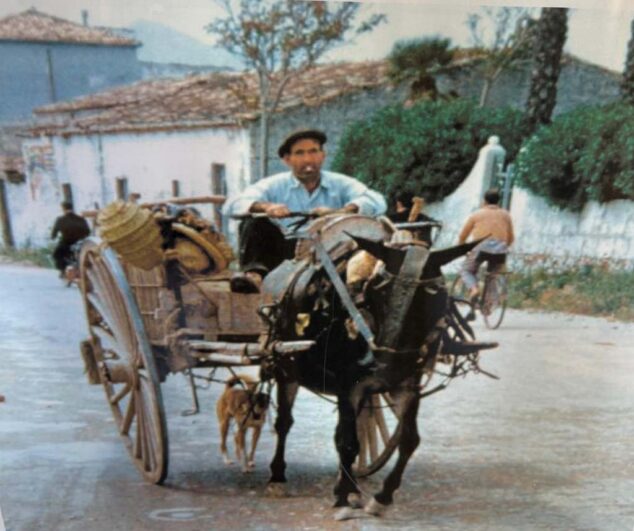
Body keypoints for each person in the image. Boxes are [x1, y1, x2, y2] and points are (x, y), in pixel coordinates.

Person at [224, 128, 387, 292]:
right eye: (300, 153)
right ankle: (255, 275)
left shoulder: (340, 183)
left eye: (313, 151)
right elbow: (232, 205)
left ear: (323, 155)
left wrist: (342, 211)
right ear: (287, 159)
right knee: (253, 221)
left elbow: (377, 201)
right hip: (285, 254)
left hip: (332, 253)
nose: (308, 159)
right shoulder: (274, 184)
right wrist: (267, 207)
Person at [457, 188, 514, 304]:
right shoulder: (506, 215)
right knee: (493, 276)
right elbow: (511, 237)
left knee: (466, 270)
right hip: (500, 250)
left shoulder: (477, 214)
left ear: (484, 201)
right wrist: (503, 247)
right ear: (498, 201)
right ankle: (489, 305)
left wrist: (463, 249)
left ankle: (474, 289)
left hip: (481, 248)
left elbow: (463, 236)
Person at [51, 201, 90, 278]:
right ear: (72, 208)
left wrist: (53, 236)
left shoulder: (60, 219)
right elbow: (87, 232)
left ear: (63, 209)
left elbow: (53, 234)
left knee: (56, 254)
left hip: (66, 243)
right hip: (80, 243)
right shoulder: (81, 219)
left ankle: (63, 270)